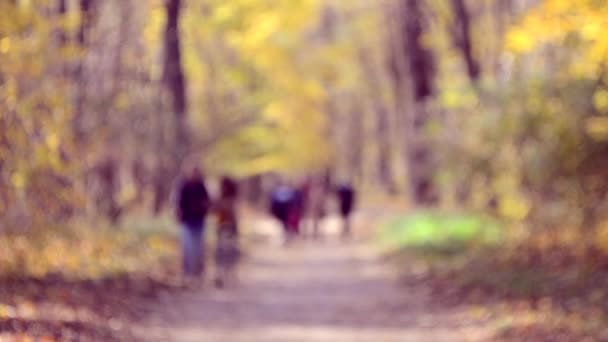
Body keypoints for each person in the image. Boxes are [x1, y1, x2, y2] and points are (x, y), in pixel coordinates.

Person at [176, 166, 210, 278]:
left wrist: (205, 207)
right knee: (187, 247)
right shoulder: (183, 186)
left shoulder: (201, 186)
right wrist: (179, 214)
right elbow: (178, 202)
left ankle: (198, 271)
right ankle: (187, 272)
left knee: (199, 247)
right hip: (187, 221)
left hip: (199, 220)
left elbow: (207, 202)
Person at [213, 176, 240, 288]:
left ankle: (224, 274)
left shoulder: (229, 200)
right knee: (223, 251)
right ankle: (222, 274)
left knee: (225, 251)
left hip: (227, 227)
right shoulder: (223, 199)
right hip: (223, 227)